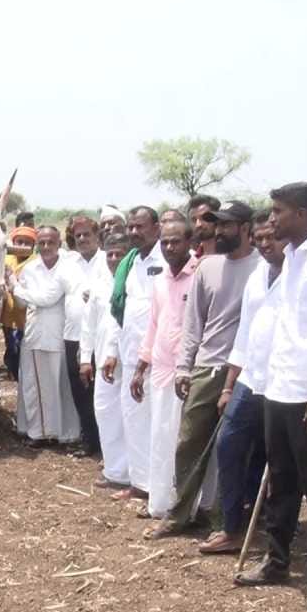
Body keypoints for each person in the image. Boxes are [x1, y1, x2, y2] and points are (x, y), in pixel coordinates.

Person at [235, 181, 307, 612]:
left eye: (278, 211)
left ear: (302, 213)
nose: (271, 219)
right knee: (280, 481)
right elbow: (284, 328)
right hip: (277, 388)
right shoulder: (291, 259)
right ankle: (276, 561)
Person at [150, 201, 260, 538]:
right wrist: (184, 368)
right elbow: (193, 324)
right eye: (217, 224)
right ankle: (179, 513)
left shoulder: (264, 267)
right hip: (206, 366)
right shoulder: (207, 268)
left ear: (245, 227)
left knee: (233, 448)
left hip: (246, 372)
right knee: (188, 443)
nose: (218, 230)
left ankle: (224, 520)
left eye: (227, 225)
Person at [201, 210, 281, 554]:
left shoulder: (300, 273)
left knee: (276, 460)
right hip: (250, 377)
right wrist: (229, 385)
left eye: (271, 237)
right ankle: (231, 527)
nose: (265, 244)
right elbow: (245, 334)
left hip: (284, 382)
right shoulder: (258, 275)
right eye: (260, 238)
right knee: (228, 445)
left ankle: (272, 532)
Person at [130, 218, 198, 518]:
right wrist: (139, 368)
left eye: (176, 241)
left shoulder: (199, 276)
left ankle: (185, 507)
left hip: (187, 374)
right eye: (166, 242)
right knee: (159, 438)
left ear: (189, 242)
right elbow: (153, 326)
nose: (170, 247)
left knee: (183, 442)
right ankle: (159, 504)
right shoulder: (159, 281)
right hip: (159, 371)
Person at [110, 206, 163, 502]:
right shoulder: (131, 263)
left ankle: (158, 487)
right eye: (130, 227)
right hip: (130, 354)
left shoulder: (167, 259)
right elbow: (123, 310)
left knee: (158, 424)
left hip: (158, 358)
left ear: (156, 227)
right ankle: (139, 483)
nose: (133, 232)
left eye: (140, 226)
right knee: (133, 421)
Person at [15, 226, 79, 448]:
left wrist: (15, 288)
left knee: (60, 384)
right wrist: (20, 293)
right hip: (35, 334)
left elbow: (48, 298)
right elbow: (22, 304)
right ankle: (37, 432)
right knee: (34, 385)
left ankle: (64, 433)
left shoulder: (68, 267)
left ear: (58, 243)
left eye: (50, 242)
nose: (45, 247)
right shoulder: (30, 268)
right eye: (41, 243)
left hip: (59, 334)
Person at [78, 233, 130, 488]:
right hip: (102, 362)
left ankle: (133, 472)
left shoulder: (134, 282)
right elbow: (88, 326)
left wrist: (116, 354)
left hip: (128, 361)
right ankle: (114, 470)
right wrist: (85, 359)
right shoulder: (98, 285)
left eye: (119, 254)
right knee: (105, 413)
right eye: (110, 254)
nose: (114, 259)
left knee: (129, 416)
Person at [57, 216, 101, 456]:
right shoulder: (68, 263)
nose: (83, 239)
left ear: (97, 235)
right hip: (73, 337)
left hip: (99, 340)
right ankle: (89, 441)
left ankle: (107, 443)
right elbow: (51, 293)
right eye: (78, 236)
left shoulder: (108, 260)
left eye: (87, 234)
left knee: (101, 393)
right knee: (80, 392)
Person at [0, 226, 37, 380]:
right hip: (8, 317)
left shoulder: (35, 263)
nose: (21, 246)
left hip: (25, 319)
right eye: (19, 242)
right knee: (11, 349)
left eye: (26, 243)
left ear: (33, 246)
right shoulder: (7, 259)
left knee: (22, 351)